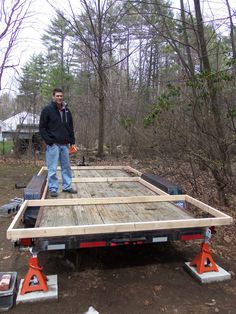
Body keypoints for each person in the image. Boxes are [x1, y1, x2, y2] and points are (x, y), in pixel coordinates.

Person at [39, 88, 77, 197]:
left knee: (66, 167)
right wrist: (49, 141)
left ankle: (67, 186)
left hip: (65, 144)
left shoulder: (67, 111)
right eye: (57, 96)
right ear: (53, 97)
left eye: (61, 96)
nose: (59, 98)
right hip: (53, 145)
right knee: (52, 168)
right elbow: (42, 128)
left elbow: (70, 128)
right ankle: (53, 188)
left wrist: (72, 142)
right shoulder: (47, 110)